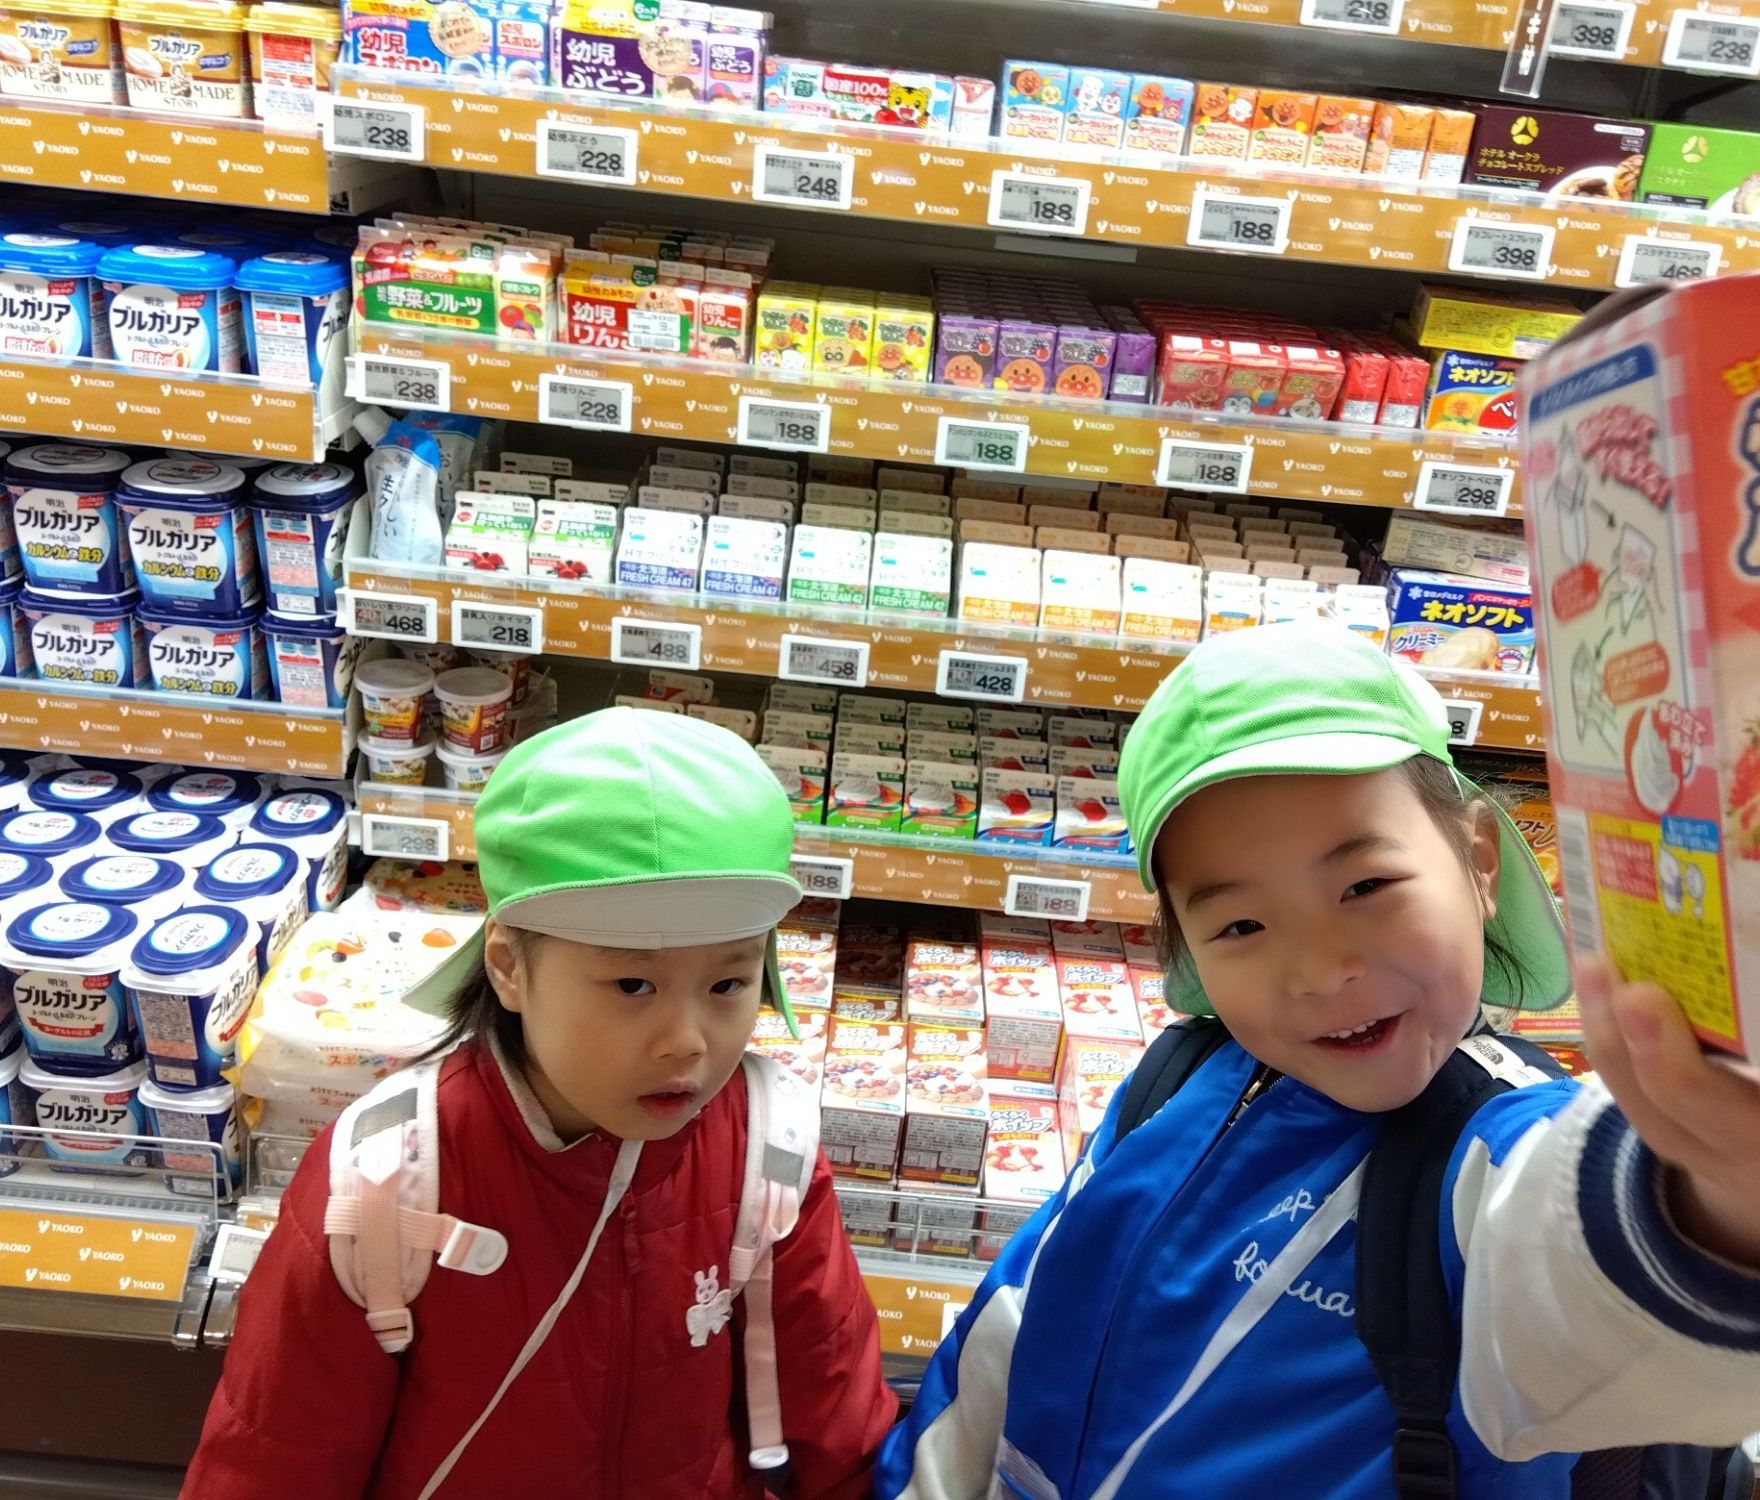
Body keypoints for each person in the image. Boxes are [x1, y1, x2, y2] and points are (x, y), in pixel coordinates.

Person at [877, 623, 1760, 1499]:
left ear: (1479, 862)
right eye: (1241, 925)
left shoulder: (1488, 1160)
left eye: (1365, 886)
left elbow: (1602, 1269)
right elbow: (1007, 1337)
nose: (1321, 971)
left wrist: (1720, 1192)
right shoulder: (1170, 1086)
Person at [185, 707, 895, 1498]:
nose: (688, 1041)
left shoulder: (770, 1150)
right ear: (508, 968)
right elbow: (273, 1462)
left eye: (728, 983)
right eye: (634, 984)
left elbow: (841, 1433)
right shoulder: (384, 1181)